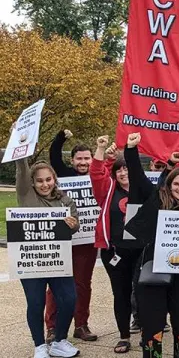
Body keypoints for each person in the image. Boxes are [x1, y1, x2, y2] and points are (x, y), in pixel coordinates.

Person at [122, 133, 179, 358]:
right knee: (153, 328)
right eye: (176, 183)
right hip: (153, 274)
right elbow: (136, 175)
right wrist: (131, 150)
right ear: (169, 185)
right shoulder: (157, 203)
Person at [15, 154, 81, 358]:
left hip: (57, 260)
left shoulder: (66, 200)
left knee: (69, 299)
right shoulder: (27, 195)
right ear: (32, 183)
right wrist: (21, 149)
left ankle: (59, 340)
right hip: (32, 262)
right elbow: (22, 170)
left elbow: (74, 226)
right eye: (39, 180)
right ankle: (39, 346)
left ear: (54, 179)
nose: (44, 184)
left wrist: (73, 225)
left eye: (48, 179)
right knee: (36, 302)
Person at [45, 129, 98, 343]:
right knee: (55, 284)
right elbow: (54, 156)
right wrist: (60, 137)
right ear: (73, 160)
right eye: (79, 158)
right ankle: (52, 327)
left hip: (87, 241)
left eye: (87, 158)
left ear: (92, 160)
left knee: (83, 283)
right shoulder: (64, 175)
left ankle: (81, 325)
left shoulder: (98, 177)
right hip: (64, 238)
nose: (83, 162)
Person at [90, 136, 141, 354]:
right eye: (119, 170)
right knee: (120, 294)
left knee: (143, 292)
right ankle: (124, 336)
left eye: (127, 168)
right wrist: (101, 149)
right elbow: (96, 174)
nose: (123, 173)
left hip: (141, 251)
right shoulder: (108, 190)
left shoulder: (143, 190)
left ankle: (147, 331)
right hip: (115, 252)